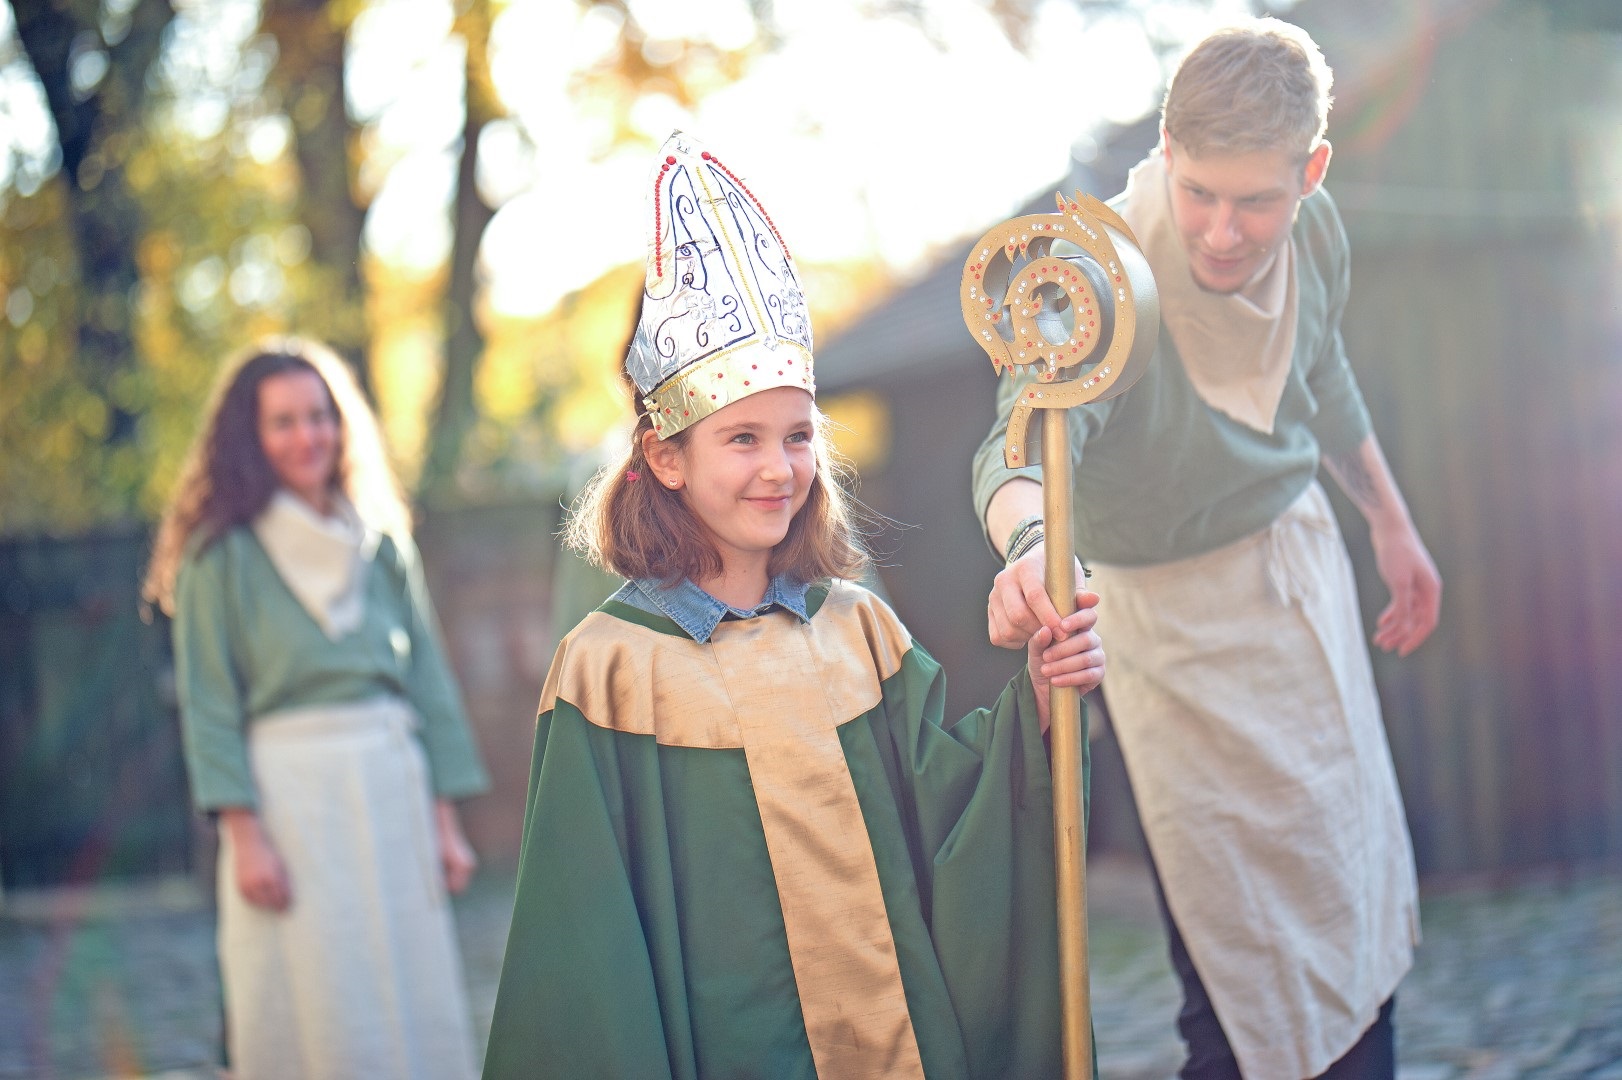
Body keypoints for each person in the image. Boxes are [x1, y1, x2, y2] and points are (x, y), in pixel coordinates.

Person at [481, 131, 1105, 1080]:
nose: (778, 469)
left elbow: (958, 814)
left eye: (797, 436)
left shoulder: (859, 629)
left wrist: (1043, 697)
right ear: (664, 456)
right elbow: (585, 949)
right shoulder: (609, 668)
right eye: (741, 440)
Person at [972, 18, 1442, 1080]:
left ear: (1307, 170)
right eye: (1199, 194)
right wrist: (1030, 548)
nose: (1222, 232)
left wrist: (1392, 525)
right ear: (1168, 152)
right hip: (1167, 634)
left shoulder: (1315, 233)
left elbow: (1318, 376)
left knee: (1348, 910)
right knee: (1236, 974)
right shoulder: (1093, 272)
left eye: (1255, 202)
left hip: (1297, 589)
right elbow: (1012, 444)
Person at [143, 337, 490, 1080]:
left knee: (407, 978)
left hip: (391, 785)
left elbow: (427, 680)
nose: (308, 437)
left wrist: (446, 823)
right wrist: (245, 837)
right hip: (290, 800)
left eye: (320, 417)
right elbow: (209, 703)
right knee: (312, 989)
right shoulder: (219, 554)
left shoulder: (384, 544)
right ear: (251, 437)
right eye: (285, 422)